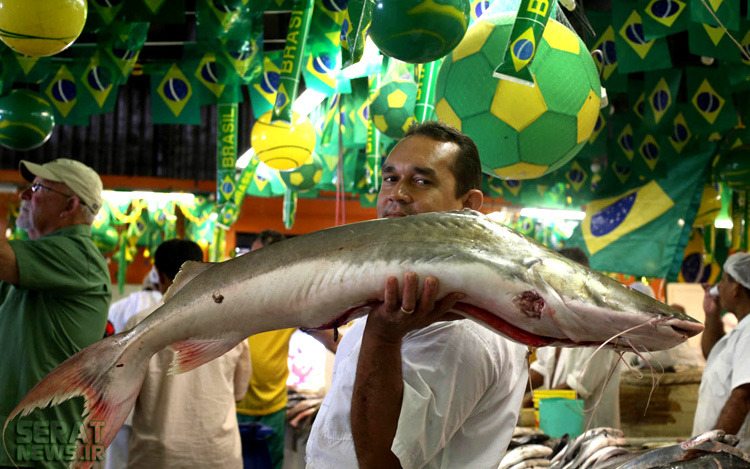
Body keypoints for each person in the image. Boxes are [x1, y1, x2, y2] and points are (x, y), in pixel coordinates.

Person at [305, 121, 529, 468]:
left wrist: (382, 336)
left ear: (468, 206)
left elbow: (383, 461)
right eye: (390, 178)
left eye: (421, 181)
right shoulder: (405, 296)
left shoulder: (458, 323)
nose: (397, 193)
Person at [0, 159, 110, 469]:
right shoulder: (30, 263)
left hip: (37, 446)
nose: (23, 195)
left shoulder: (78, 256)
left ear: (69, 206)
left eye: (36, 188)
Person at [126, 239, 252, 469]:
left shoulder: (138, 325)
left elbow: (123, 395)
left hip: (157, 457)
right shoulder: (234, 322)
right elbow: (239, 393)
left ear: (160, 276)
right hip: (217, 455)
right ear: (202, 270)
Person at [236, 229, 338, 469]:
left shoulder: (291, 304)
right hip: (231, 405)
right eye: (253, 258)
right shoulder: (235, 298)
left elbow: (333, 341)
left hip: (272, 407)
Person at [523, 247, 622, 430]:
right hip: (558, 424)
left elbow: (579, 386)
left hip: (590, 432)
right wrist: (515, 391)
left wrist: (537, 401)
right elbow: (544, 367)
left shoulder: (600, 322)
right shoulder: (554, 316)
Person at [692, 252, 750, 451]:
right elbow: (712, 353)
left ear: (736, 288)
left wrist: (709, 447)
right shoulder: (742, 329)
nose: (719, 287)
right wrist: (711, 314)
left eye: (724, 280)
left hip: (732, 453)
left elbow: (743, 396)